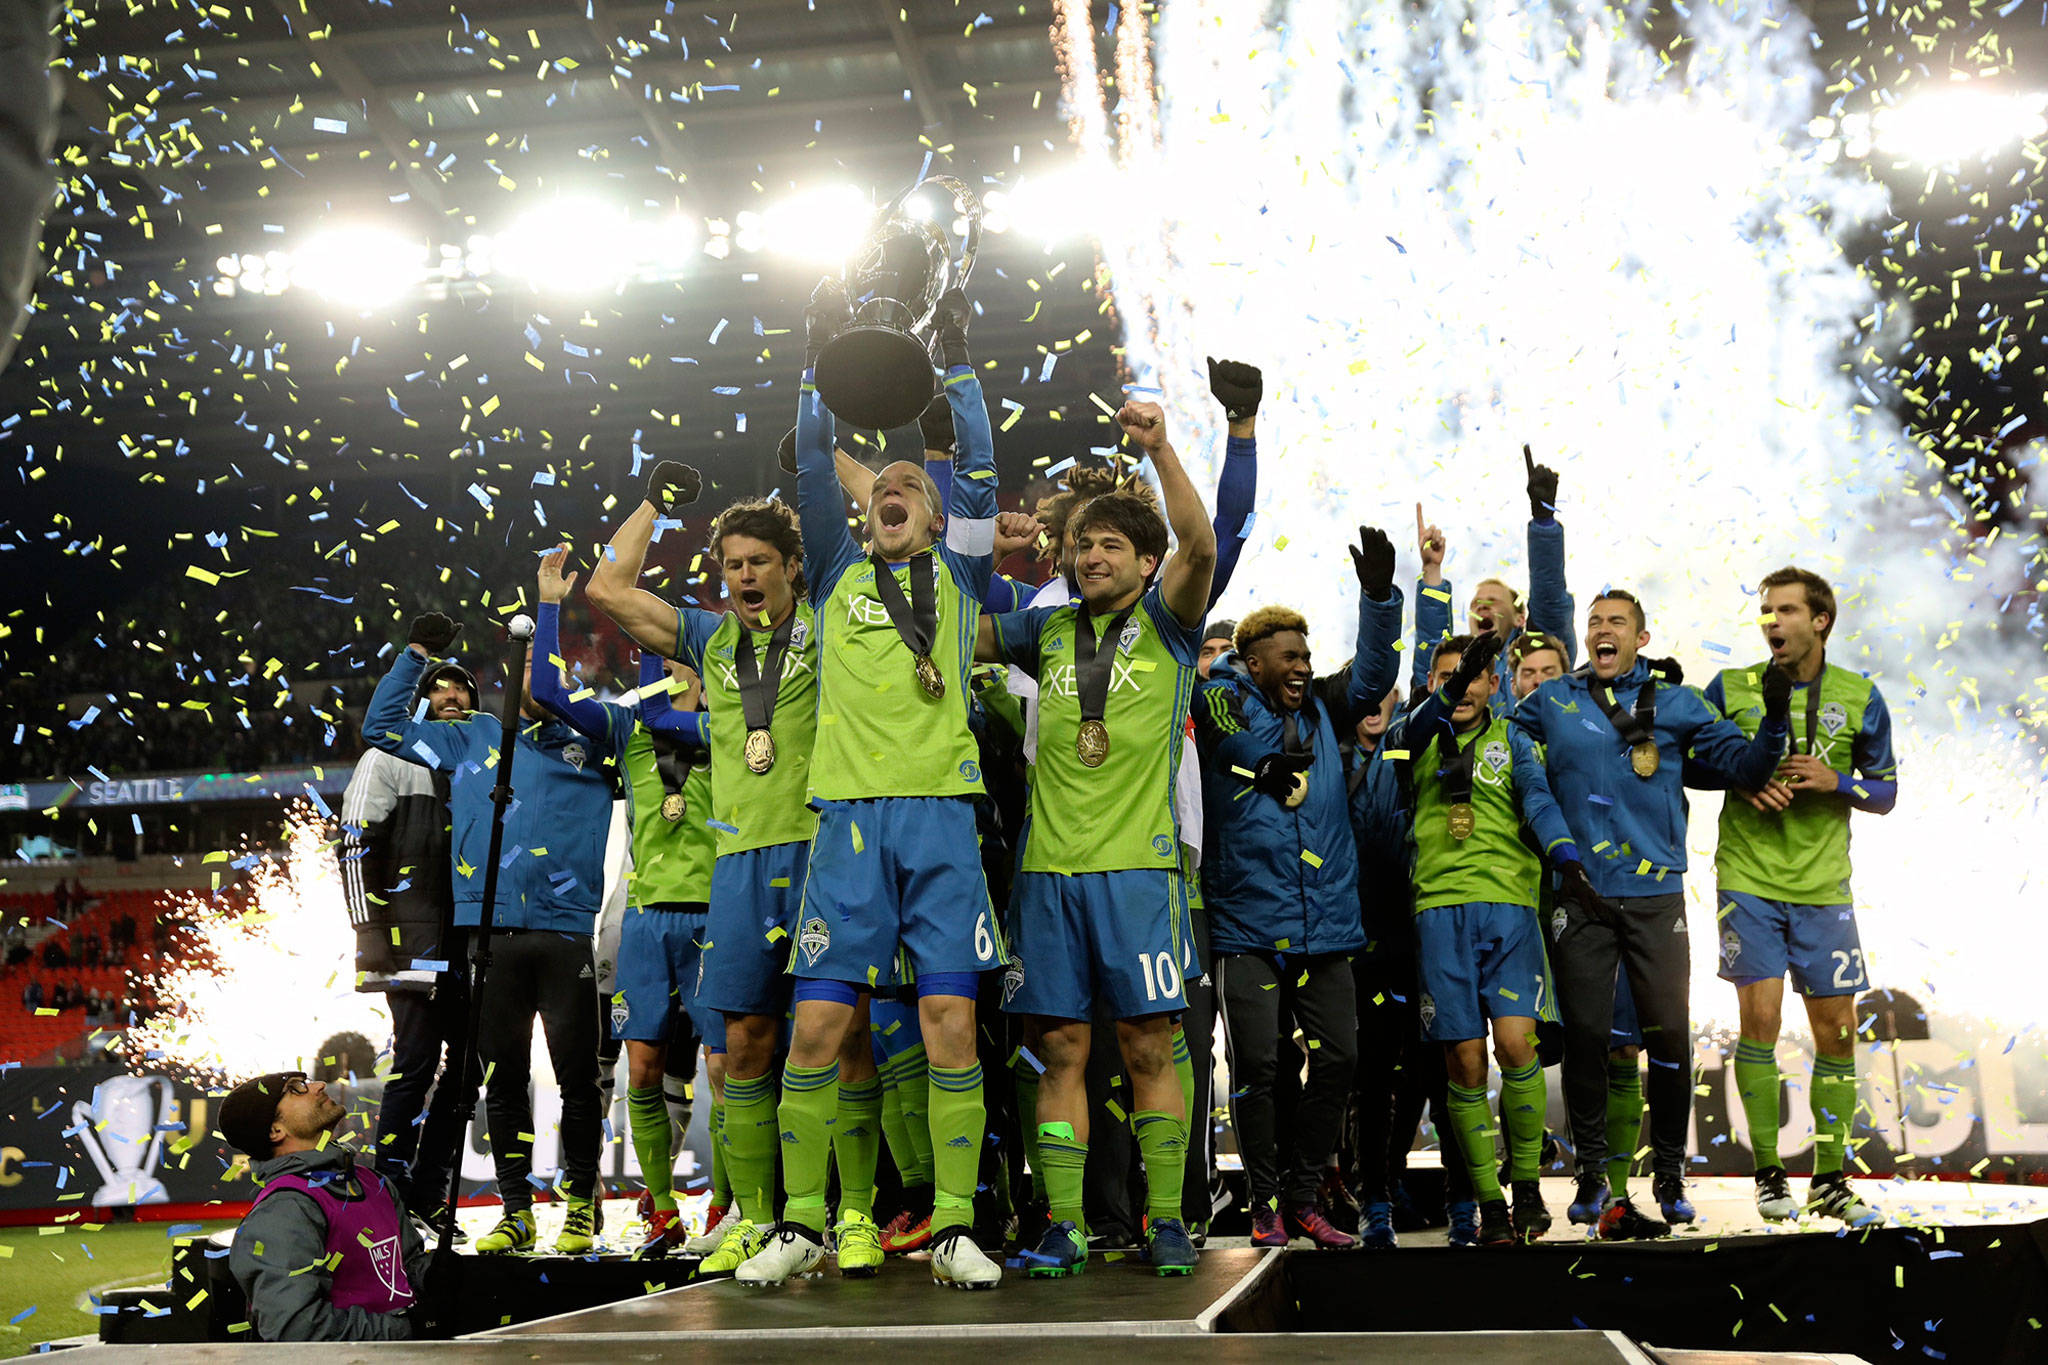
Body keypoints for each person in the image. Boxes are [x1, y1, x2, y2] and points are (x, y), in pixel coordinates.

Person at [733, 279, 1006, 1291]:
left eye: (909, 483)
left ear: (933, 514)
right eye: (877, 482)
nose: (889, 486)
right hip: (847, 823)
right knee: (817, 1025)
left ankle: (950, 1227)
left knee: (949, 1024)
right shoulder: (841, 567)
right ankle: (800, 1224)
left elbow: (974, 461)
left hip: (939, 821)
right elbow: (812, 455)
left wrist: (963, 367)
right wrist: (812, 365)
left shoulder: (960, 579)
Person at [976, 396, 1216, 1277]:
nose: (1091, 555)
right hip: (1047, 875)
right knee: (1062, 1050)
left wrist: (1159, 452)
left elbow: (1200, 544)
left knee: (1151, 1045)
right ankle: (1067, 1222)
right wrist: (983, 544)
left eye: (1112, 544)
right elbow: (959, 626)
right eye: (1083, 545)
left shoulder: (1170, 625)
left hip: (1138, 873)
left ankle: (1167, 1219)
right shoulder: (1045, 629)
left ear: (1146, 562)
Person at [584, 471, 830, 1277]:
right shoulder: (707, 640)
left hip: (822, 848)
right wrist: (654, 502)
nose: (745, 576)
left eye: (760, 561)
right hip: (739, 863)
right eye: (732, 564)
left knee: (840, 1040)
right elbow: (609, 586)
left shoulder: (831, 628)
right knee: (746, 1046)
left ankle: (832, 1214)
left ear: (794, 565)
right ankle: (758, 1218)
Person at [1511, 589, 1789, 1231]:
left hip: (1654, 893)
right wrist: (1559, 846)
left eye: (1616, 623)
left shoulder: (1677, 704)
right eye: (1594, 623)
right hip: (1579, 891)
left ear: (1641, 637)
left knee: (1668, 1035)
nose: (1601, 631)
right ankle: (1588, 1177)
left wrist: (1773, 718)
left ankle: (1669, 1172)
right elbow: (1522, 772)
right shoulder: (1551, 702)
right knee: (1584, 1038)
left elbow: (1747, 765)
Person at [361, 607, 619, 1256]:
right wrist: (416, 652)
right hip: (489, 933)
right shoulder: (471, 735)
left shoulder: (595, 737)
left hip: (564, 933)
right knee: (501, 1080)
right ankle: (517, 1211)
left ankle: (582, 1204)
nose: (536, 675)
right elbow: (381, 727)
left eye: (548, 666)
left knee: (577, 1078)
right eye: (526, 663)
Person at [1194, 527, 1402, 1249]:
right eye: (1290, 657)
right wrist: (1268, 763)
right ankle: (1264, 1200)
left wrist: (1379, 599)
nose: (1304, 667)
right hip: (1249, 924)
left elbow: (1373, 677)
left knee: (1340, 1056)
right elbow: (1225, 741)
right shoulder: (1220, 692)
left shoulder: (1323, 703)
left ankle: (1308, 1196)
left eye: (1308, 657)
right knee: (1259, 1062)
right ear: (1254, 662)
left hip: (1328, 926)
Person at [528, 544, 722, 1258]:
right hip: (644, 920)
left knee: (729, 1070)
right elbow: (548, 695)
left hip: (717, 913)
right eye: (664, 660)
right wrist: (551, 603)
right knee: (639, 1067)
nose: (672, 670)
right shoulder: (628, 733)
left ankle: (731, 1207)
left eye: (682, 661)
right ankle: (663, 1206)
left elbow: (685, 725)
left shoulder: (730, 732)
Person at [1358, 633, 1579, 1245]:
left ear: (1493, 685)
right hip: (1437, 913)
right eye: (1448, 677)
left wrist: (1563, 851)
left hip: (1508, 911)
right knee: (1464, 1062)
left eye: (1473, 676)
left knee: (1515, 1044)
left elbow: (1536, 797)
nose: (1461, 687)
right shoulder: (1410, 739)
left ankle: (1529, 1186)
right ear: (1433, 684)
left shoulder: (1513, 738)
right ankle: (1490, 1206)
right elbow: (1389, 779)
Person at [1697, 567, 1896, 1228]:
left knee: (1837, 1030)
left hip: (1822, 888)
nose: (1772, 622)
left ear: (1821, 621)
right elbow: (1690, 761)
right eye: (1765, 611)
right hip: (1748, 879)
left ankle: (1832, 1179)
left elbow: (1886, 791)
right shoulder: (1730, 687)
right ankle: (1769, 1172)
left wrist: (1836, 779)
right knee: (1760, 1019)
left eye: (1785, 610)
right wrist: (1745, 775)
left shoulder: (1861, 696)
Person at [340, 658, 476, 1239]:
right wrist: (369, 934)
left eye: (461, 688)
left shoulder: (482, 761)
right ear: (418, 703)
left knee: (469, 1074)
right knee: (416, 1066)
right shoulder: (387, 758)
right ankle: (391, 1197)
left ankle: (427, 1191)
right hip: (410, 942)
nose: (450, 695)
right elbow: (352, 849)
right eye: (437, 688)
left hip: (470, 943)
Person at [223, 1071, 430, 1341]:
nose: (319, 1086)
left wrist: (449, 1277)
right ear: (275, 1131)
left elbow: (407, 1268)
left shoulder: (371, 1182)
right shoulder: (285, 1209)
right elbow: (298, 1330)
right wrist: (411, 1328)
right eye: (296, 1088)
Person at [1409, 447, 1578, 704]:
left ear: (1520, 618)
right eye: (1477, 603)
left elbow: (1550, 601)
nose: (1482, 606)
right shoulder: (1459, 668)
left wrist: (1544, 522)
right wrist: (1431, 570)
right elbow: (1431, 654)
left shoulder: (1538, 653)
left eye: (1494, 602)